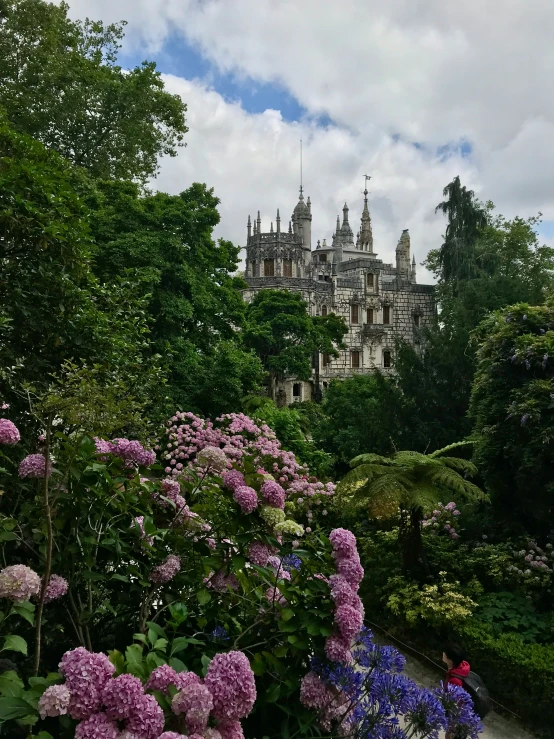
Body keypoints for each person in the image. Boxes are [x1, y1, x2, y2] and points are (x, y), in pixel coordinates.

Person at [442, 642, 471, 739]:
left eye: (445, 653)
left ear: (450, 660)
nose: (443, 653)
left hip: (459, 717)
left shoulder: (455, 680)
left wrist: (452, 725)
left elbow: (456, 704)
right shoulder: (461, 667)